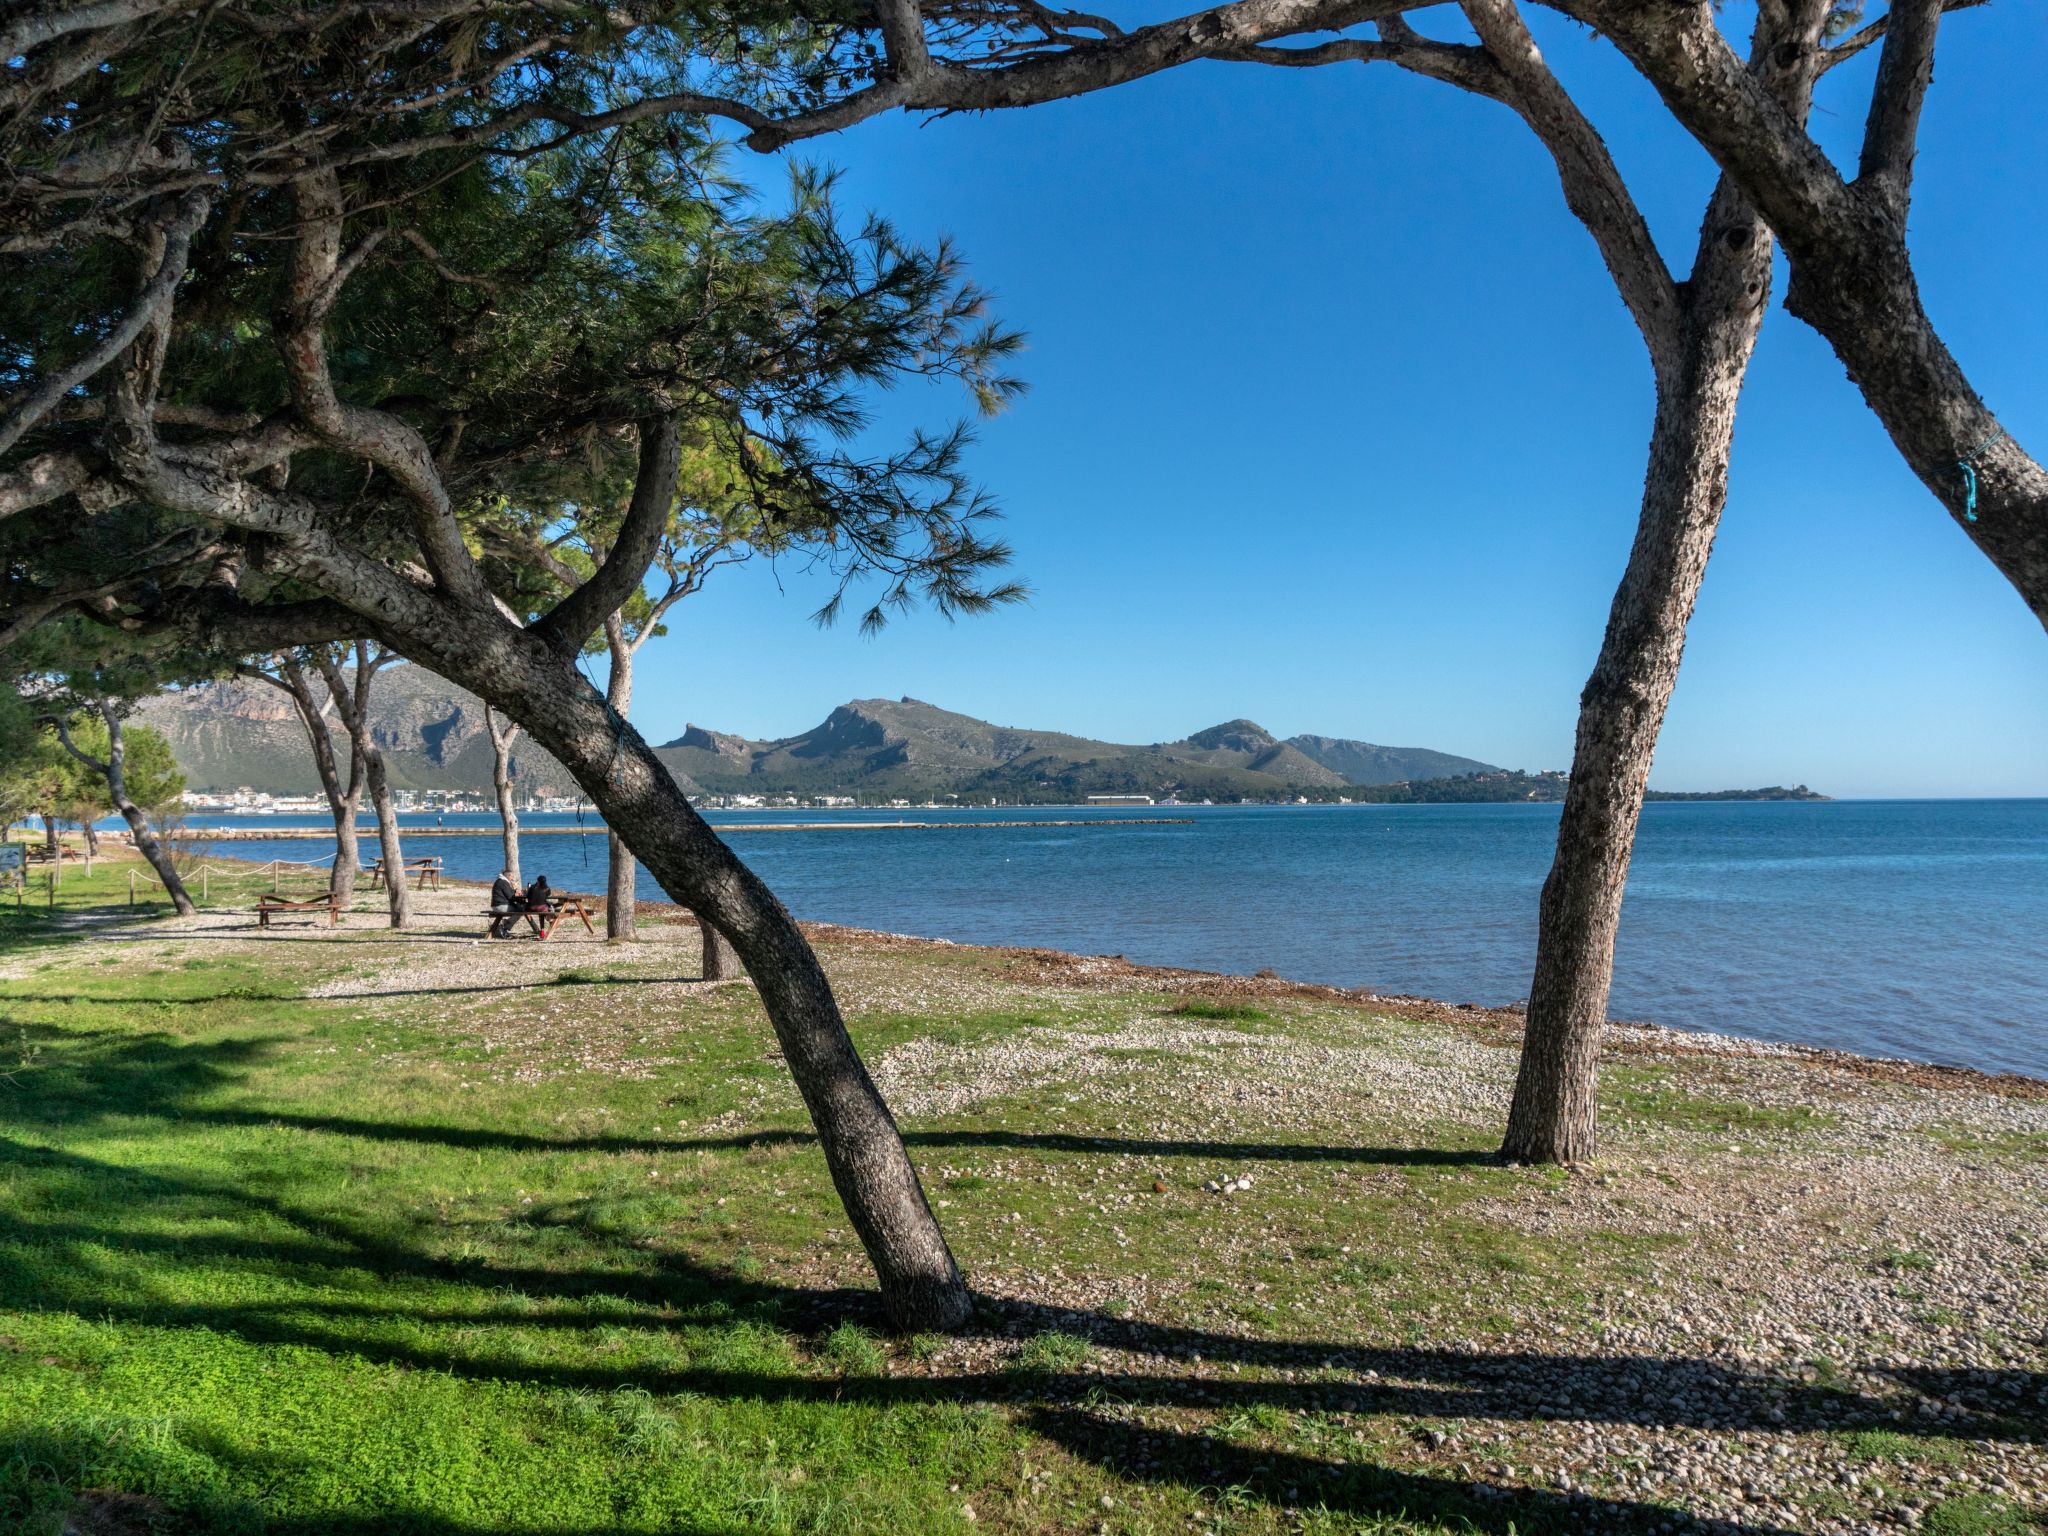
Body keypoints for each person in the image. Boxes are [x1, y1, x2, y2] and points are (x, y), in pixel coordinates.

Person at [489, 871, 522, 939]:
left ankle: (505, 925)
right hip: (501, 906)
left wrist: (515, 892)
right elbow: (510, 897)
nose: (512, 878)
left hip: (497, 905)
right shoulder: (504, 882)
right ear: (508, 876)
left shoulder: (500, 881)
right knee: (521, 910)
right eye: (512, 876)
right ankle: (506, 926)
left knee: (520, 907)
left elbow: (509, 894)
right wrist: (516, 893)